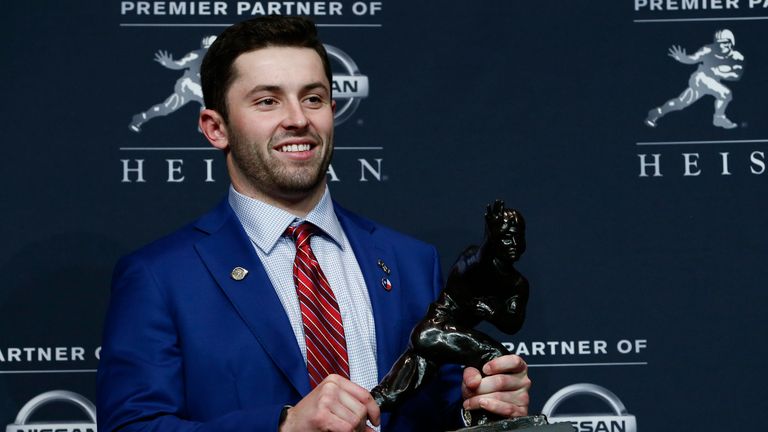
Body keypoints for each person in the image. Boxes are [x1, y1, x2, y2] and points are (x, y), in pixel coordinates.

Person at [97, 16, 530, 432]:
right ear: (215, 128)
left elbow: (439, 413)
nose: (298, 119)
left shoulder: (411, 261)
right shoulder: (160, 277)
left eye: (313, 98)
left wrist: (486, 406)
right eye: (267, 100)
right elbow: (133, 426)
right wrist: (283, 426)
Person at [645, 29, 744, 129]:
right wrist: (684, 58)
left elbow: (736, 76)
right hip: (701, 78)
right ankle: (719, 118)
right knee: (725, 93)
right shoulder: (708, 49)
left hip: (712, 82)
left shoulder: (737, 57)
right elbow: (694, 58)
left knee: (680, 103)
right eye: (719, 43)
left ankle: (657, 112)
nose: (722, 46)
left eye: (725, 43)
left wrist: (720, 73)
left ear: (731, 42)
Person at [129, 35, 216, 133]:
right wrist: (169, 63)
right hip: (189, 85)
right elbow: (179, 64)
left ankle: (141, 118)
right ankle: (203, 126)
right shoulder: (196, 55)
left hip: (193, 86)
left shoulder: (217, 59)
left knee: (166, 107)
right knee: (209, 102)